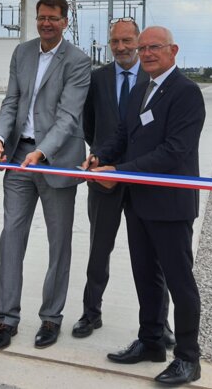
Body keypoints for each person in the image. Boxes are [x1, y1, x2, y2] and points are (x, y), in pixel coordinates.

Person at [88, 26, 206, 386]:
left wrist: (118, 171)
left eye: (154, 47)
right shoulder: (143, 88)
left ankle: (188, 357)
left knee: (179, 281)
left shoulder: (186, 92)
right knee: (145, 275)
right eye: (143, 49)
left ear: (173, 49)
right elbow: (124, 135)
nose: (147, 54)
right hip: (139, 202)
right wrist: (99, 156)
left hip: (170, 205)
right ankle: (151, 341)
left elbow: (174, 152)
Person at [0, 0, 91, 350]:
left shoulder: (78, 61)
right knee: (10, 238)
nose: (46, 23)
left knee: (58, 244)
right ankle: (7, 318)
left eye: (53, 18)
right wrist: (0, 137)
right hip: (19, 157)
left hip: (56, 160)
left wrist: (42, 151)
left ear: (65, 21)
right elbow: (12, 101)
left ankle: (51, 318)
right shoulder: (23, 52)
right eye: (41, 17)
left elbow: (68, 116)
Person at [73, 18, 175, 348]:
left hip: (144, 180)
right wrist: (101, 159)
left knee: (152, 257)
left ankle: (161, 323)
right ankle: (91, 312)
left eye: (127, 40)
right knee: (98, 250)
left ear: (140, 41)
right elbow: (89, 126)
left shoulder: (154, 77)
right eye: (115, 41)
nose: (121, 47)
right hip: (104, 181)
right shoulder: (97, 78)